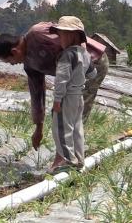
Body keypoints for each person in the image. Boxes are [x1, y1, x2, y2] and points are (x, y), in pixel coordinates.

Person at [0, 16, 108, 151]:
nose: (12, 65)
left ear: (14, 51)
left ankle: (74, 157)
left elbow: (73, 39)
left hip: (94, 62)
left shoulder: (38, 33)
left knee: (73, 112)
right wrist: (38, 129)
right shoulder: (29, 65)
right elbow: (37, 95)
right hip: (74, 75)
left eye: (9, 61)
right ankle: (69, 154)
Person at [49, 17, 97, 172]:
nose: (59, 38)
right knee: (77, 127)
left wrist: (57, 100)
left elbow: (61, 80)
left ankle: (68, 161)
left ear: (73, 35)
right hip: (79, 96)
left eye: (62, 34)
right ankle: (79, 159)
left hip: (67, 97)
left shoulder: (67, 55)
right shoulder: (85, 54)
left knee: (62, 128)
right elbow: (93, 74)